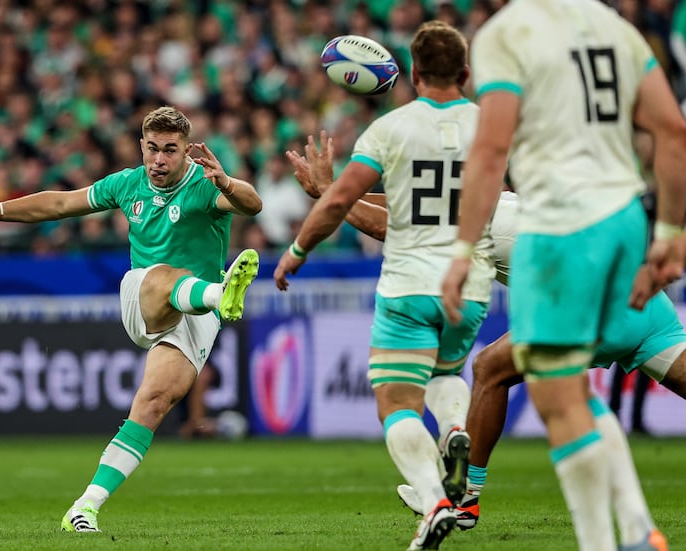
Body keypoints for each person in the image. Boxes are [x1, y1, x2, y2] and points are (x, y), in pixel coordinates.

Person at [289, 155, 686, 543]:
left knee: (490, 369)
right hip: (645, 306)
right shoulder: (507, 201)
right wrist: (334, 194)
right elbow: (405, 212)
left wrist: (331, 195)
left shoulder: (478, 217)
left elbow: (396, 227)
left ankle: (466, 500)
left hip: (587, 311)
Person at [0, 106, 263, 532]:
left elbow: (252, 205)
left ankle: (84, 507)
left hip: (195, 315)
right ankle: (222, 294)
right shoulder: (126, 184)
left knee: (155, 401)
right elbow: (58, 204)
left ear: (187, 151)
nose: (159, 159)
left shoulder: (204, 185)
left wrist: (229, 183)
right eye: (152, 149)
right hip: (145, 295)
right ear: (141, 147)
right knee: (168, 276)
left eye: (170, 150)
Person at [440, 1, 686, 549]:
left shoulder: (508, 34)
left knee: (556, 391)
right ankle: (633, 531)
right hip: (625, 221)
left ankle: (626, 535)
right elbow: (672, 128)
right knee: (564, 387)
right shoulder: (613, 29)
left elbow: (492, 148)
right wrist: (670, 232)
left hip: (562, 226)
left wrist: (461, 251)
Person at [275, 21, 495, 550]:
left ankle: (434, 500)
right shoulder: (494, 127)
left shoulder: (390, 129)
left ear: (414, 73)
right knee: (447, 371)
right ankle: (454, 431)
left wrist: (296, 251)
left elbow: (336, 202)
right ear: (466, 72)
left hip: (408, 284)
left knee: (396, 403)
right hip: (471, 283)